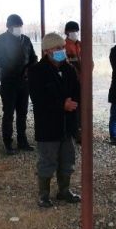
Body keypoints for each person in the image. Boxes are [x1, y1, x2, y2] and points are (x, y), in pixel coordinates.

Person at [28, 33, 81, 207]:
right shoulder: (37, 71)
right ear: (47, 50)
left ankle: (64, 191)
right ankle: (43, 194)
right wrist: (61, 105)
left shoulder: (69, 69)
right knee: (47, 160)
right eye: (57, 48)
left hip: (67, 125)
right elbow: (39, 99)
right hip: (48, 126)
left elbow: (77, 93)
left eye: (62, 47)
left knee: (67, 159)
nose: (61, 51)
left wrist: (73, 108)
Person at [0, 14, 38, 155]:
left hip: (24, 83)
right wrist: (17, 70)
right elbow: (0, 60)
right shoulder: (0, 40)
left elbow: (33, 57)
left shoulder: (26, 40)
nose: (18, 29)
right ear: (8, 27)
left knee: (22, 113)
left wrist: (28, 69)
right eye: (15, 27)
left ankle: (22, 140)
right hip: (8, 82)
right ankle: (8, 142)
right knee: (8, 113)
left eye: (20, 26)